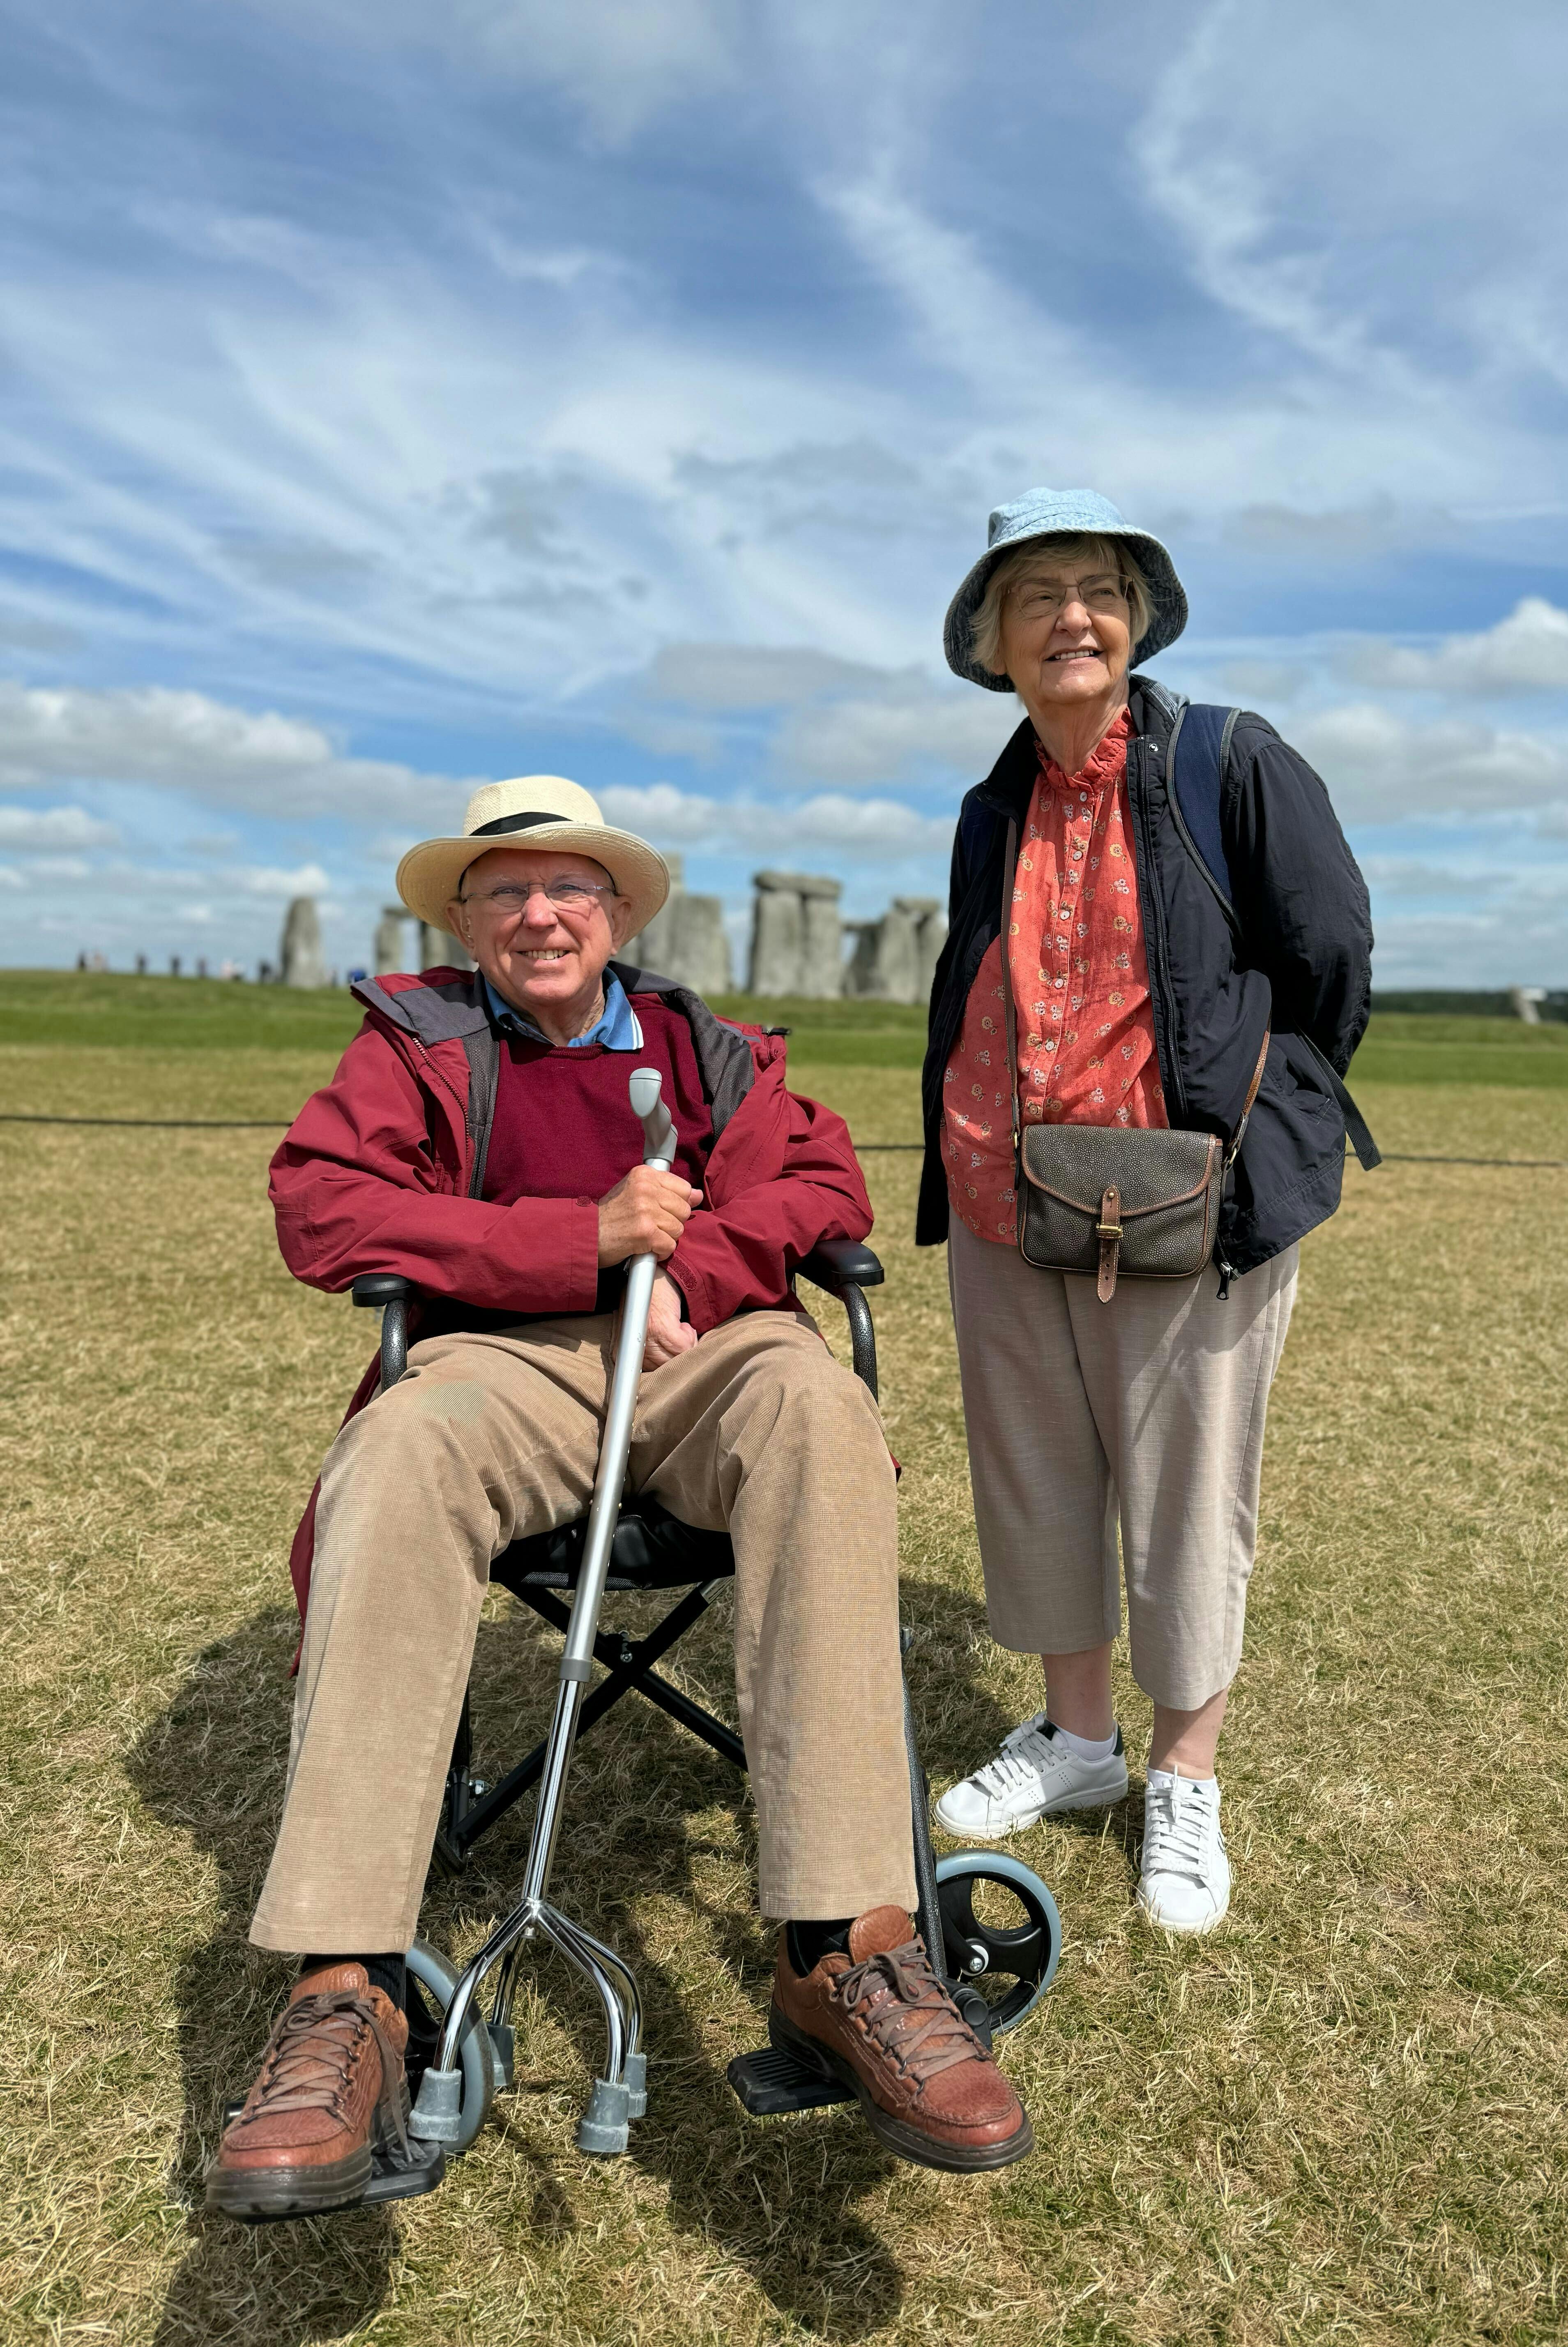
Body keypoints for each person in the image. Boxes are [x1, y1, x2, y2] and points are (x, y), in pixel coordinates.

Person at [206, 775, 1031, 2220]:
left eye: (571, 886)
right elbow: (322, 1206)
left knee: (824, 1417)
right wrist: (569, 1240)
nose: (539, 912)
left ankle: (844, 1946)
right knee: (394, 1453)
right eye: (505, 889)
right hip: (503, 1355)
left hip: (708, 1351)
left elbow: (821, 1183)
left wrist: (700, 1269)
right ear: (461, 917)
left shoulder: (705, 1047)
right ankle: (350, 1990)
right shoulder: (417, 1045)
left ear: (621, 910)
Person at [920, 490, 1373, 1937]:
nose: (1072, 617)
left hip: (1186, 1198)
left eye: (1099, 589)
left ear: (1135, 621)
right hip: (1005, 1187)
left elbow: (1332, 953)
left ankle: (1184, 1769)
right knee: (1037, 1478)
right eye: (1037, 595)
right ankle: (1078, 1744)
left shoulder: (1230, 759)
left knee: (1186, 1492)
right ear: (992, 642)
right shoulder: (991, 802)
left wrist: (1261, 1120)